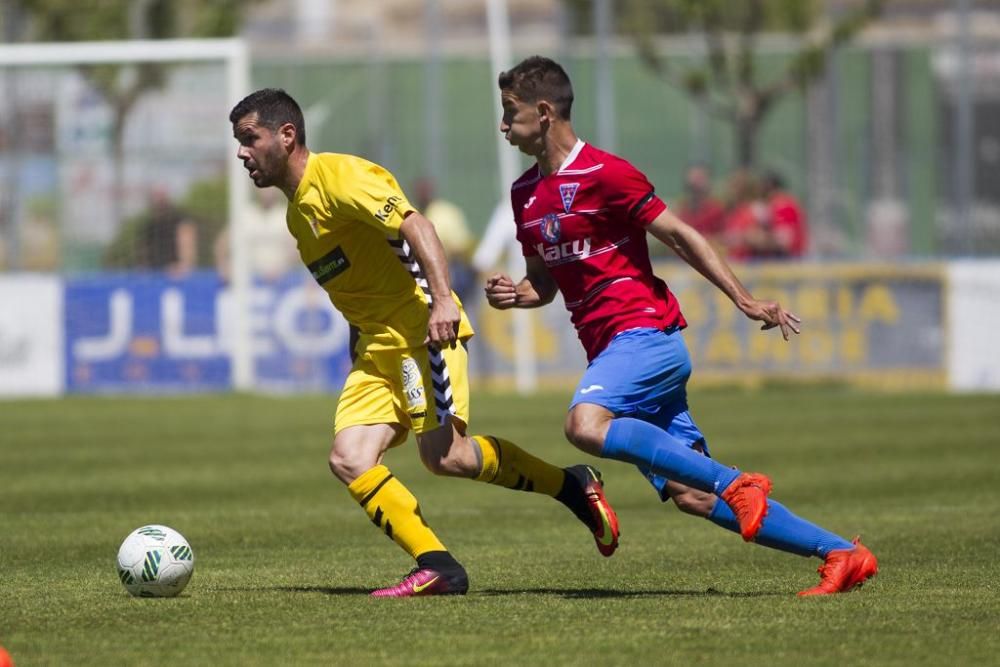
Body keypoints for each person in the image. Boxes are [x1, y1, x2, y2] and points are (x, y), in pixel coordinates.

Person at [486, 56, 877, 596]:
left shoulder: (606, 173)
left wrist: (742, 298)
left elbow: (681, 234)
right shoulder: (524, 196)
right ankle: (842, 553)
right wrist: (515, 295)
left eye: (510, 112)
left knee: (584, 425)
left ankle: (738, 483)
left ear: (545, 111)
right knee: (691, 494)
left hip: (645, 337)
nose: (503, 125)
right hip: (613, 352)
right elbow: (544, 284)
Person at [229, 88, 619, 598]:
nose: (242, 153)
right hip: (376, 350)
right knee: (349, 457)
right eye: (239, 142)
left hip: (420, 333)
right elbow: (356, 284)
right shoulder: (296, 214)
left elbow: (416, 224)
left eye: (249, 139)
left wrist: (440, 301)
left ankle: (572, 485)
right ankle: (438, 566)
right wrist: (358, 349)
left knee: (447, 458)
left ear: (287, 135)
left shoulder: (341, 177)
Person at [674, 164, 726, 251]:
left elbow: (724, 237)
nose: (695, 183)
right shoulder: (681, 210)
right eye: (693, 178)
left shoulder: (716, 209)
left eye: (700, 178)